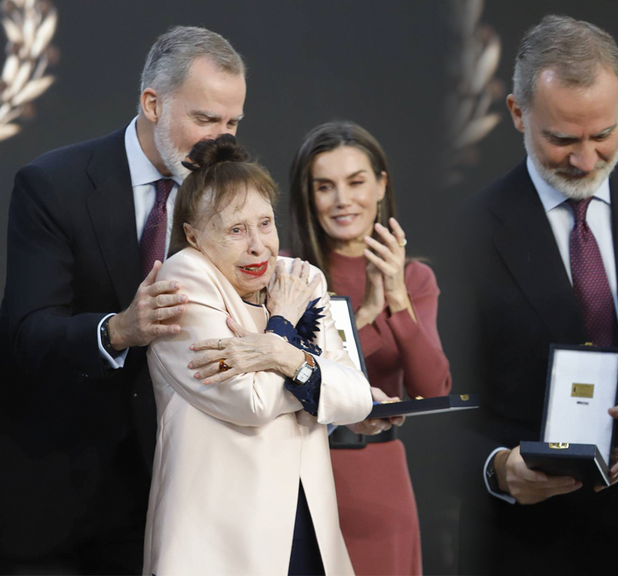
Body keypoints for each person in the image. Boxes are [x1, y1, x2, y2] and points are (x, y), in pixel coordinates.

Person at [456, 14, 618, 575]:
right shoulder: (463, 233)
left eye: (603, 134)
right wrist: (496, 468)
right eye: (562, 139)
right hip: (529, 544)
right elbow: (443, 400)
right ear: (518, 113)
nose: (586, 160)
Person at [0, 26, 246, 573]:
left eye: (232, 122)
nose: (219, 140)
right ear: (152, 103)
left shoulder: (228, 200)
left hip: (180, 502)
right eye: (205, 119)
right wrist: (116, 331)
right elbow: (25, 334)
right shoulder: (52, 185)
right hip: (59, 504)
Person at [143, 134, 400, 575]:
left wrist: (277, 355)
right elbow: (252, 401)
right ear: (194, 236)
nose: (259, 245)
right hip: (219, 541)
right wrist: (288, 334)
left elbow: (356, 395)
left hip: (307, 525)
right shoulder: (182, 282)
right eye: (236, 230)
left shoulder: (301, 278)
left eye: (265, 223)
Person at [289, 120, 452, 575]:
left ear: (381, 186)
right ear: (309, 196)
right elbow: (298, 375)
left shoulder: (416, 278)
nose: (343, 200)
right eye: (325, 186)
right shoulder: (287, 275)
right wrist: (366, 314)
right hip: (302, 470)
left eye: (356, 182)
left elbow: (432, 387)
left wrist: (396, 298)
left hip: (379, 480)